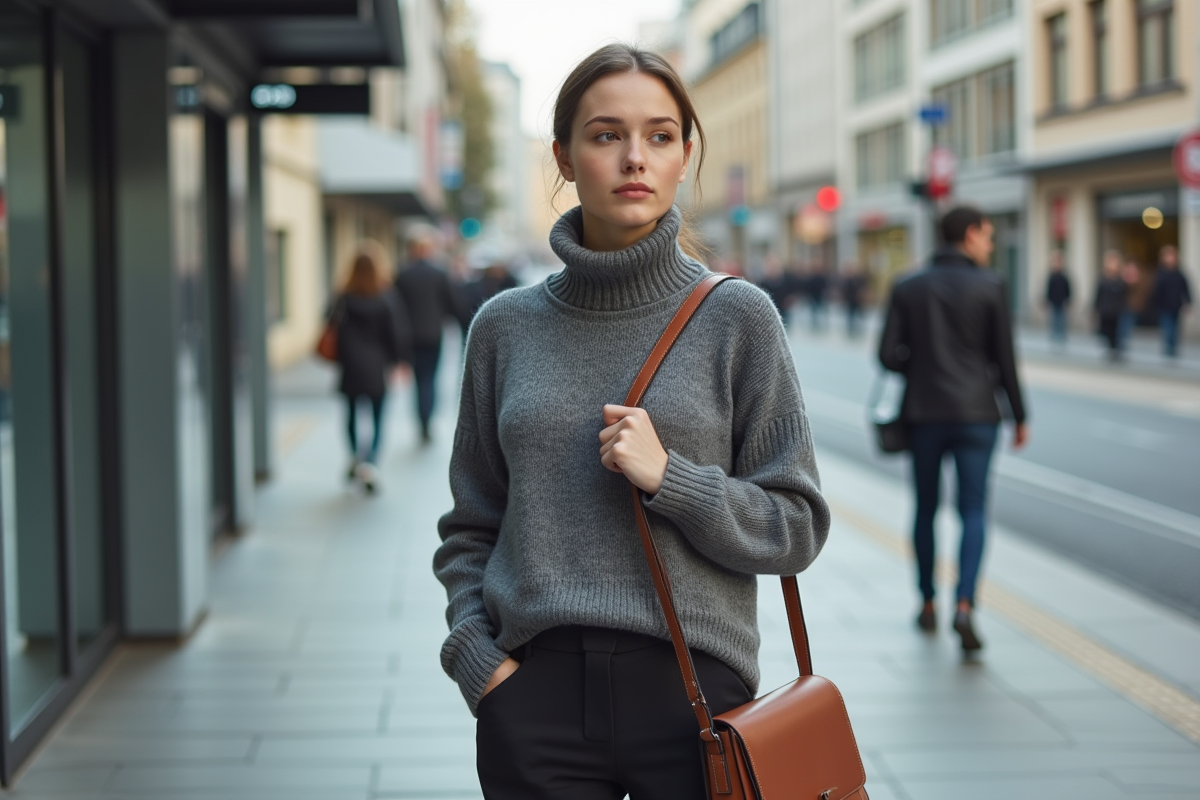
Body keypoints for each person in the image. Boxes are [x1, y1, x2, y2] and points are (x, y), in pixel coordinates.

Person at [433, 43, 830, 799]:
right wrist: (482, 669)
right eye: (607, 134)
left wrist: (673, 480)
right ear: (565, 156)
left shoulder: (738, 318)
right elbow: (471, 527)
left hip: (695, 698)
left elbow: (797, 525)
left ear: (686, 155)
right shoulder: (504, 327)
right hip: (532, 700)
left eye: (659, 136)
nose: (634, 159)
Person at [878, 205, 1028, 654]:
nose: (991, 244)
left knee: (925, 507)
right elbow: (1005, 357)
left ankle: (927, 602)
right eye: (987, 235)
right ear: (968, 236)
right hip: (979, 414)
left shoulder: (908, 285)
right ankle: (965, 605)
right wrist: (1019, 415)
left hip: (924, 414)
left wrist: (920, 365)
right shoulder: (991, 285)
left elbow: (886, 355)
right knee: (974, 510)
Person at [330, 242, 412, 493]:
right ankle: (371, 464)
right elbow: (397, 333)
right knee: (377, 418)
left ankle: (356, 457)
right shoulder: (386, 297)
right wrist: (401, 360)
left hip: (351, 366)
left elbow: (329, 322)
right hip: (377, 367)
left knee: (352, 415)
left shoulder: (343, 297)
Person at [393, 232, 464, 443]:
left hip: (410, 336)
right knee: (430, 379)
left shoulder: (402, 274)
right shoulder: (439, 273)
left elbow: (395, 308)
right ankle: (427, 420)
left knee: (417, 379)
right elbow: (452, 304)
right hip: (433, 334)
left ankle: (421, 420)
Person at [1151, 245, 1192, 358]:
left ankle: (1173, 348)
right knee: (1168, 328)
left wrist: (1188, 302)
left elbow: (1186, 289)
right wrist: (1155, 305)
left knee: (1175, 328)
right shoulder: (1161, 273)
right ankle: (1168, 349)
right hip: (1164, 306)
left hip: (1176, 305)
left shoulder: (1179, 273)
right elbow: (1157, 291)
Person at [1094, 251, 1128, 362]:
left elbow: (1125, 295)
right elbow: (1098, 294)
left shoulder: (1121, 280)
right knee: (1106, 331)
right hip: (1105, 310)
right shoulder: (1103, 278)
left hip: (1117, 310)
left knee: (1117, 332)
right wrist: (1095, 308)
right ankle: (1108, 350)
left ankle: (1116, 351)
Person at [1044, 250, 1071, 346]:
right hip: (1054, 300)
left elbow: (1068, 289)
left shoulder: (1064, 276)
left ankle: (1061, 335)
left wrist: (1068, 299)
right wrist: (1047, 299)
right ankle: (1054, 335)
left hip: (1062, 300)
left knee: (1061, 318)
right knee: (1054, 318)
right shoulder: (1052, 276)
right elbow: (1048, 289)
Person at [840, 264, 869, 338]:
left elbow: (863, 288)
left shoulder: (859, 279)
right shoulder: (846, 279)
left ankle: (860, 328)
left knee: (859, 314)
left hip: (857, 300)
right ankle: (851, 329)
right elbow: (844, 290)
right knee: (850, 315)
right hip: (850, 300)